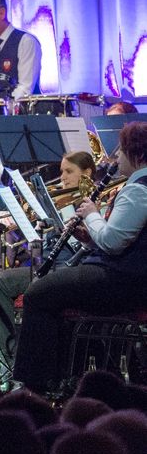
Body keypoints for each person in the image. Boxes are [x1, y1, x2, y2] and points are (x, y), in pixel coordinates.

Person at [13, 122, 147, 390]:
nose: (116, 157)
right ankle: (63, 377)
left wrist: (92, 214)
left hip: (123, 281)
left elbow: (112, 241)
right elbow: (117, 239)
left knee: (38, 294)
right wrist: (90, 235)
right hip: (126, 276)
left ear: (137, 155)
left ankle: (35, 384)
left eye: (121, 151)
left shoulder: (138, 190)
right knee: (52, 293)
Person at [0, 150, 95, 358]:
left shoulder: (96, 204)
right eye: (60, 171)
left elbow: (90, 244)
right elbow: (35, 250)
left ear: (87, 173)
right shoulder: (56, 201)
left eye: (69, 171)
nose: (62, 177)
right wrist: (36, 229)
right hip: (44, 266)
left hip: (73, 269)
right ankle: (11, 354)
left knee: (40, 290)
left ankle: (34, 357)